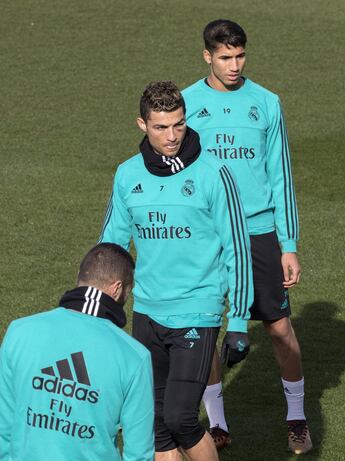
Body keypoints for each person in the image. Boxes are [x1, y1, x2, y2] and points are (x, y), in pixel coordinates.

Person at [99, 80, 253, 461]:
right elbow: (110, 249)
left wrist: (238, 321)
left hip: (196, 311)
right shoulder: (127, 175)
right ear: (142, 124)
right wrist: (97, 313)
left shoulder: (214, 173)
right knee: (155, 424)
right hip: (148, 313)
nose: (172, 136)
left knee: (181, 417)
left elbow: (238, 247)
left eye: (179, 125)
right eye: (161, 127)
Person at [182, 19, 312, 455]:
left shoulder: (267, 102)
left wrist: (288, 244)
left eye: (240, 56)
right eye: (225, 57)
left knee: (278, 329)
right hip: (206, 234)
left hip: (258, 233)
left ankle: (296, 415)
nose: (234, 65)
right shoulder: (186, 104)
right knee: (203, 328)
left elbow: (281, 176)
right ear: (207, 57)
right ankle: (217, 423)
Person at [0, 243, 154, 461]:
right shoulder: (135, 357)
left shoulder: (19, 331)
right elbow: (139, 454)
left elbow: (4, 424)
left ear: (79, 276)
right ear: (117, 289)